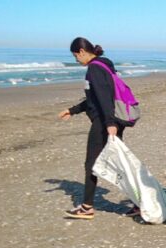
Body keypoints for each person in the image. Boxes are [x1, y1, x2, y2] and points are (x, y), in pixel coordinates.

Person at [58, 38, 135, 220]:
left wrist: (109, 124)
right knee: (119, 164)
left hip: (104, 122)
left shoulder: (94, 69)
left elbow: (103, 98)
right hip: (111, 120)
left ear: (82, 52)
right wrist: (73, 110)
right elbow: (95, 98)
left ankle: (87, 207)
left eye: (76, 56)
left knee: (91, 164)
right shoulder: (104, 65)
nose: (76, 60)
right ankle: (140, 202)